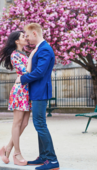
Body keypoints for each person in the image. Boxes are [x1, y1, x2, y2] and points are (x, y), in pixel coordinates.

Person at [15, 23, 59, 170]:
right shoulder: (40, 48)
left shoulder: (45, 49)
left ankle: (52, 160)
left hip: (40, 92)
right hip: (37, 91)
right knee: (39, 124)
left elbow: (39, 72)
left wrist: (22, 79)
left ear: (34, 33)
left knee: (40, 124)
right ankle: (44, 157)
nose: (26, 38)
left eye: (27, 35)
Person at [0, 31, 37, 166]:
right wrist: (32, 58)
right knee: (17, 123)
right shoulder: (15, 55)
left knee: (24, 123)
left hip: (27, 90)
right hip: (20, 91)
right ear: (16, 41)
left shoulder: (23, 54)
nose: (26, 38)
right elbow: (26, 72)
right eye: (22, 37)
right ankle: (16, 153)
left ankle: (7, 148)